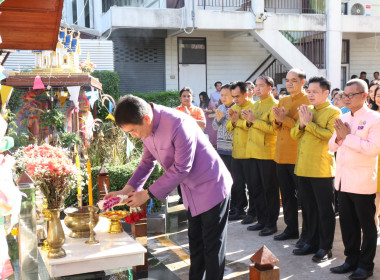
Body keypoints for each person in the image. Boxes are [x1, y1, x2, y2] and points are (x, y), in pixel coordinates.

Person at [105, 95, 232, 280]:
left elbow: (182, 168)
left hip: (212, 186)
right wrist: (127, 190)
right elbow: (146, 163)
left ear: (146, 119)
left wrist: (147, 194)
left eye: (133, 131)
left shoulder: (178, 123)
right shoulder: (146, 127)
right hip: (191, 192)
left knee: (212, 247)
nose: (133, 136)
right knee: (196, 246)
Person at [329, 79, 380, 280]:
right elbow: (331, 146)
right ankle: (351, 259)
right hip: (342, 179)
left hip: (362, 180)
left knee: (367, 226)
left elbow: (372, 149)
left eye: (352, 95)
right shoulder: (344, 117)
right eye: (344, 94)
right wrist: (341, 137)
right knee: (347, 224)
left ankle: (365, 265)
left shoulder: (374, 118)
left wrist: (347, 138)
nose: (346, 98)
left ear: (364, 96)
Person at [290, 76, 341, 263]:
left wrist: (309, 124)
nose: (310, 95)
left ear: (326, 93)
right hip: (303, 167)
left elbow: (330, 136)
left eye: (314, 92)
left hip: (321, 169)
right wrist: (302, 123)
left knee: (325, 211)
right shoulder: (307, 110)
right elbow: (294, 134)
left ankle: (325, 247)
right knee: (308, 209)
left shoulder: (334, 112)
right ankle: (310, 242)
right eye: (309, 91)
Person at [272, 69, 310, 243]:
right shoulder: (284, 99)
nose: (289, 83)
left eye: (293, 80)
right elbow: (276, 126)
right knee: (287, 196)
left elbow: (300, 126)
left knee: (304, 198)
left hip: (297, 156)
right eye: (287, 80)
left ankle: (307, 234)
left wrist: (283, 119)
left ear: (302, 82)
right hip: (280, 154)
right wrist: (278, 119)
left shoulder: (308, 100)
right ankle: (291, 228)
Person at [241, 76, 279, 236]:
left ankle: (271, 223)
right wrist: (247, 121)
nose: (257, 89)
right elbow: (247, 125)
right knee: (255, 188)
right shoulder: (255, 104)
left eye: (261, 86)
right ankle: (261, 220)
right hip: (252, 152)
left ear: (270, 88)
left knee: (269, 190)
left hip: (267, 153)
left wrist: (253, 121)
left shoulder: (275, 105)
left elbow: (274, 130)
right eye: (255, 86)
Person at [226, 81, 256, 224]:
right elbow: (228, 127)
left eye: (237, 96)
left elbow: (251, 126)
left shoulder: (253, 107)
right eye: (234, 97)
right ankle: (239, 209)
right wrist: (232, 121)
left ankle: (253, 212)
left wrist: (236, 121)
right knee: (237, 183)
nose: (235, 99)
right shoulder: (235, 107)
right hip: (236, 152)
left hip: (249, 152)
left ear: (246, 94)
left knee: (252, 185)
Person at [212, 84, 236, 215]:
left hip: (233, 149)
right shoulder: (220, 107)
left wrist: (223, 119)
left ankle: (238, 207)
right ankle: (229, 204)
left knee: (236, 180)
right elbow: (215, 126)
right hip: (221, 148)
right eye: (221, 95)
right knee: (224, 179)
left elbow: (232, 129)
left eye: (226, 95)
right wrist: (219, 119)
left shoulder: (236, 109)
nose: (223, 97)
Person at [371, 85, 380, 233]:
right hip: (374, 158)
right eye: (378, 95)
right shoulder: (370, 115)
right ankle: (375, 224)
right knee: (376, 194)